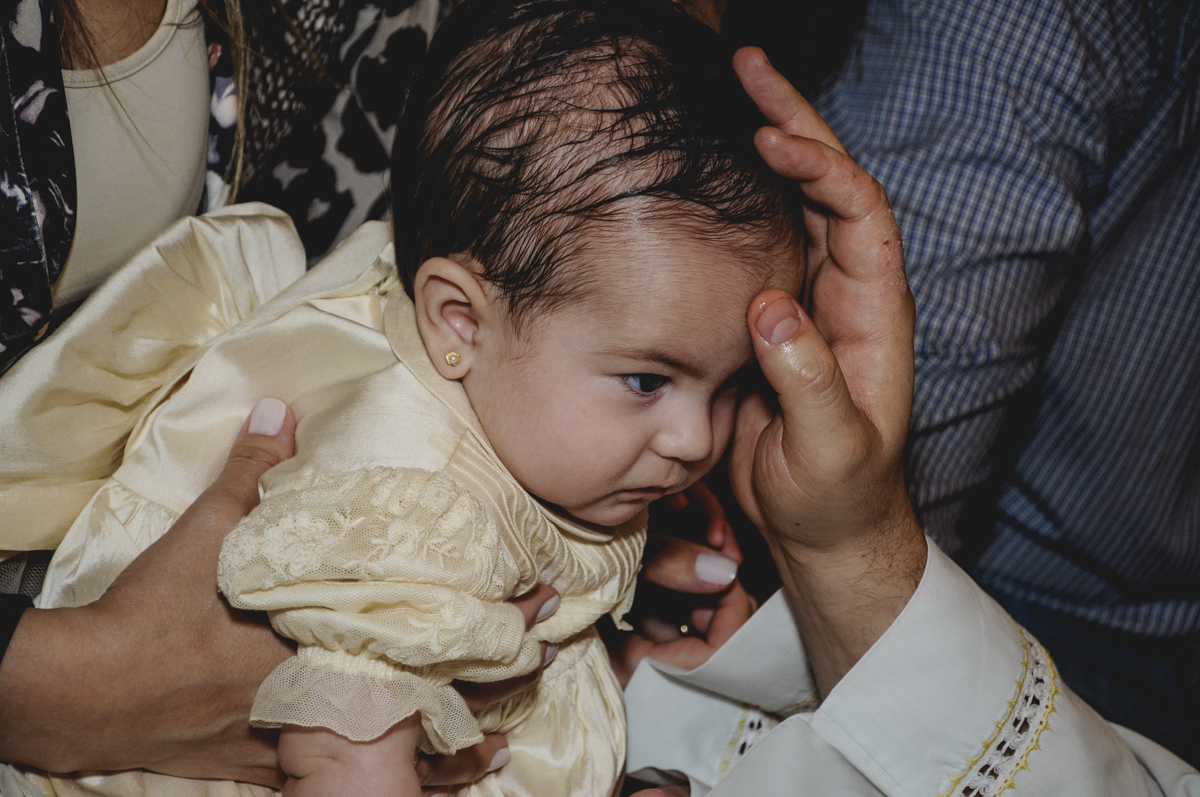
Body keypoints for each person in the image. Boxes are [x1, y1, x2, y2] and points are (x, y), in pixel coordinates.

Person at [0, 1, 804, 794]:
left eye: (732, 383)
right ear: (458, 318)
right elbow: (345, 745)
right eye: (647, 380)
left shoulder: (507, 361)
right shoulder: (411, 509)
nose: (699, 439)